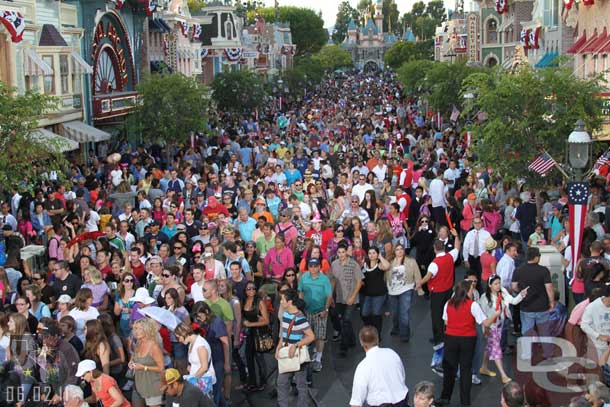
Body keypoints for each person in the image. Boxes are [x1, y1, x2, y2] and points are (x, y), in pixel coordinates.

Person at [437, 280, 501, 407]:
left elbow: (446, 322)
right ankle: (465, 401)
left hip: (451, 338)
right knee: (466, 369)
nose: (473, 292)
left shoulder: (448, 303)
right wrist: (496, 314)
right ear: (466, 291)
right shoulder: (472, 305)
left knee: (449, 368)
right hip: (467, 339)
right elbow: (485, 323)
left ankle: (445, 397)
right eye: (471, 290)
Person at [478, 275, 528, 384]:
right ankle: (503, 375)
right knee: (496, 350)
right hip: (491, 327)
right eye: (495, 284)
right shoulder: (484, 298)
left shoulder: (503, 292)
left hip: (501, 324)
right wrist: (486, 329)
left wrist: (521, 295)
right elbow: (483, 316)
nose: (498, 286)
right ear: (490, 285)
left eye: (499, 283)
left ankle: (484, 367)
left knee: (489, 347)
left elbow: (513, 301)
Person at [417, 229, 461, 345]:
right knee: (447, 312)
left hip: (437, 292)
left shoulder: (434, 263)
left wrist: (419, 283)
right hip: (448, 289)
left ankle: (438, 338)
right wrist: (456, 236)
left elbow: (428, 276)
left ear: (435, 249)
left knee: (436, 316)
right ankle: (447, 333)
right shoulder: (450, 256)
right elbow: (457, 247)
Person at [511, 247, 555, 360]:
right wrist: (551, 302)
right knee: (545, 331)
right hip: (542, 307)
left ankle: (526, 354)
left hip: (526, 307)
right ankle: (548, 354)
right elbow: (549, 288)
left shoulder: (519, 270)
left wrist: (520, 292)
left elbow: (514, 286)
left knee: (526, 331)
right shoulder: (544, 270)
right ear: (536, 257)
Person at [349, 326, 409, 407]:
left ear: (361, 343)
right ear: (377, 339)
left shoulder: (363, 366)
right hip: (402, 402)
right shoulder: (392, 353)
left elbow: (356, 402)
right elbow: (402, 377)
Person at [275, 288, 315, 407]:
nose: (280, 302)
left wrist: (296, 345)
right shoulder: (286, 314)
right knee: (281, 383)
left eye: (282, 300)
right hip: (286, 354)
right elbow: (284, 334)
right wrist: (278, 348)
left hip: (298, 356)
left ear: (290, 301)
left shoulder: (300, 318)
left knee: (301, 385)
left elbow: (311, 336)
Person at [298, 257, 332, 372]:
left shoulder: (324, 279)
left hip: (320, 312)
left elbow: (329, 296)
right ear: (308, 267)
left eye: (315, 266)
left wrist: (326, 310)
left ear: (319, 267)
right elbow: (301, 292)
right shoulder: (304, 277)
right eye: (311, 266)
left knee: (320, 336)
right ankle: (306, 356)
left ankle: (318, 359)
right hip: (307, 311)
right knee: (307, 335)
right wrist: (300, 307)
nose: (313, 268)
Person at [331, 242, 363, 357]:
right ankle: (352, 338)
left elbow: (359, 282)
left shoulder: (354, 264)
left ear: (346, 252)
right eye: (339, 252)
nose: (341, 254)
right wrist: (331, 296)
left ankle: (343, 348)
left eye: (343, 252)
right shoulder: (334, 264)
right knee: (337, 317)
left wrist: (353, 297)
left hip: (351, 298)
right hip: (339, 298)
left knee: (346, 321)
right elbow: (333, 280)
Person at [388, 243, 423, 342]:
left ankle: (404, 334)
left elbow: (417, 274)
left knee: (404, 312)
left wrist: (419, 287)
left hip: (406, 289)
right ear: (394, 252)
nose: (399, 251)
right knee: (395, 312)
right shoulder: (390, 262)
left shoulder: (411, 261)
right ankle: (396, 327)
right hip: (393, 290)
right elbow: (386, 275)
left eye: (401, 249)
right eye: (397, 249)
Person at [241, 280, 270, 391]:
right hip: (249, 334)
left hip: (259, 333)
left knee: (259, 358)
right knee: (248, 358)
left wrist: (250, 324)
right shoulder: (243, 301)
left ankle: (263, 382)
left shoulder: (259, 302)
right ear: (245, 290)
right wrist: (244, 321)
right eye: (249, 288)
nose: (251, 290)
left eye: (253, 288)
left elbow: (266, 321)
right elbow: (243, 316)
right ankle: (252, 382)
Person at [129, 318, 165, 407]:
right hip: (139, 384)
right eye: (135, 328)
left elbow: (161, 368)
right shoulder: (138, 342)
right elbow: (134, 356)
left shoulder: (154, 346)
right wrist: (131, 361)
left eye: (140, 328)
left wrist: (144, 367)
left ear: (147, 329)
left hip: (153, 385)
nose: (136, 331)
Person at [174, 322, 216, 396]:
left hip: (202, 381)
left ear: (184, 333)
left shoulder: (200, 345)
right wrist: (191, 367)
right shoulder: (192, 343)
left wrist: (192, 379)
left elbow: (204, 367)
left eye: (178, 337)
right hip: (198, 380)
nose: (179, 341)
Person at [462, 217, 491, 289]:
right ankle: (473, 290)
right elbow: (465, 247)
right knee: (471, 276)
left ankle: (480, 291)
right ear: (473, 224)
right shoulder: (469, 234)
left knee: (481, 276)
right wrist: (466, 259)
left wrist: (490, 259)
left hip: (482, 258)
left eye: (479, 223)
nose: (477, 225)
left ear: (481, 223)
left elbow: (491, 247)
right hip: (472, 258)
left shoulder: (487, 234)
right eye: (475, 223)